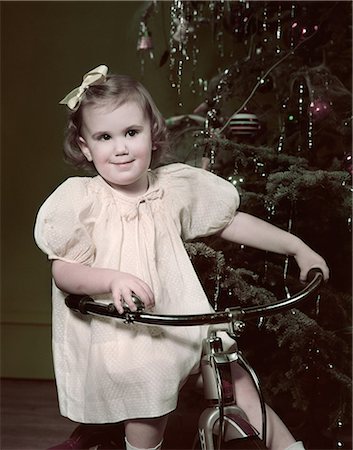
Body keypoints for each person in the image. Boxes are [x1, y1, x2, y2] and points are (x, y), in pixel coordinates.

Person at [34, 65, 329, 450]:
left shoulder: (172, 188)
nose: (120, 147)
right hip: (126, 334)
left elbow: (230, 221)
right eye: (105, 137)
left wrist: (297, 247)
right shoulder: (82, 200)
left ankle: (287, 447)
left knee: (237, 380)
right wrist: (111, 279)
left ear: (152, 136)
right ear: (86, 147)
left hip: (186, 322)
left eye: (131, 133)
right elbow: (64, 272)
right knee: (147, 411)